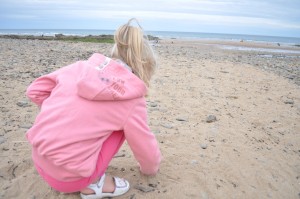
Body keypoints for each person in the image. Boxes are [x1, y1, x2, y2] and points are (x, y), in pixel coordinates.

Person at [25, 18, 162, 199]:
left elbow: (35, 91)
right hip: (71, 180)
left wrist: (62, 114)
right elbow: (144, 146)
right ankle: (94, 184)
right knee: (124, 128)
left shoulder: (79, 67)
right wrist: (150, 169)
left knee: (111, 120)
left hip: (39, 159)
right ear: (145, 68)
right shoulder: (132, 100)